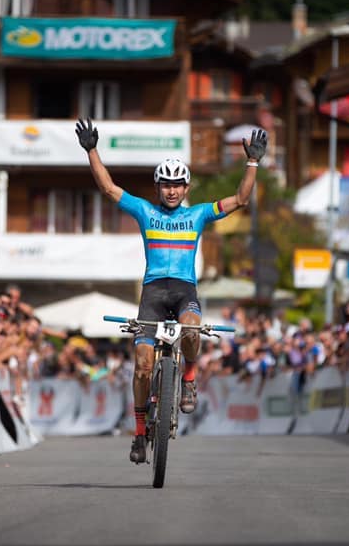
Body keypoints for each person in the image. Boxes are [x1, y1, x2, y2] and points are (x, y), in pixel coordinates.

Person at [75, 117, 267, 464]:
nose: (172, 191)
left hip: (183, 291)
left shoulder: (198, 215)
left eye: (178, 185)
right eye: (166, 185)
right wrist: (92, 151)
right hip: (152, 293)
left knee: (192, 328)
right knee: (142, 365)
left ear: (187, 187)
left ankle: (189, 378)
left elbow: (240, 199)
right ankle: (138, 434)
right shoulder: (144, 211)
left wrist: (252, 162)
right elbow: (109, 189)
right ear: (158, 187)